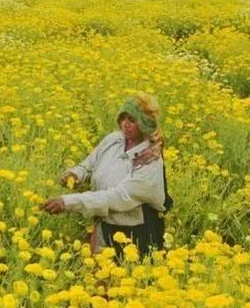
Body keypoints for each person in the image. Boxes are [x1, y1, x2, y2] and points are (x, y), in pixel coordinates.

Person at [42, 92, 172, 258]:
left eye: (132, 120)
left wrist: (68, 202)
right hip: (104, 224)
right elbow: (89, 164)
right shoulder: (114, 140)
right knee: (97, 276)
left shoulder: (150, 160)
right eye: (123, 118)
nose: (125, 124)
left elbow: (118, 197)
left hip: (135, 235)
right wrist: (75, 174)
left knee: (124, 280)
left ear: (144, 124)